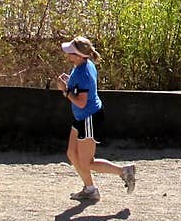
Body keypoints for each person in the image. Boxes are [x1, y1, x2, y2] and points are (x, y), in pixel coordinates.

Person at [55, 36, 135, 201]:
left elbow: (82, 102)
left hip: (89, 117)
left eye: (70, 52)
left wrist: (65, 91)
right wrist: (70, 83)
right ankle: (90, 189)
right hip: (81, 117)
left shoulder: (83, 72)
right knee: (71, 153)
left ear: (78, 55)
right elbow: (83, 91)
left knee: (87, 162)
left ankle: (124, 172)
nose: (67, 55)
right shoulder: (82, 66)